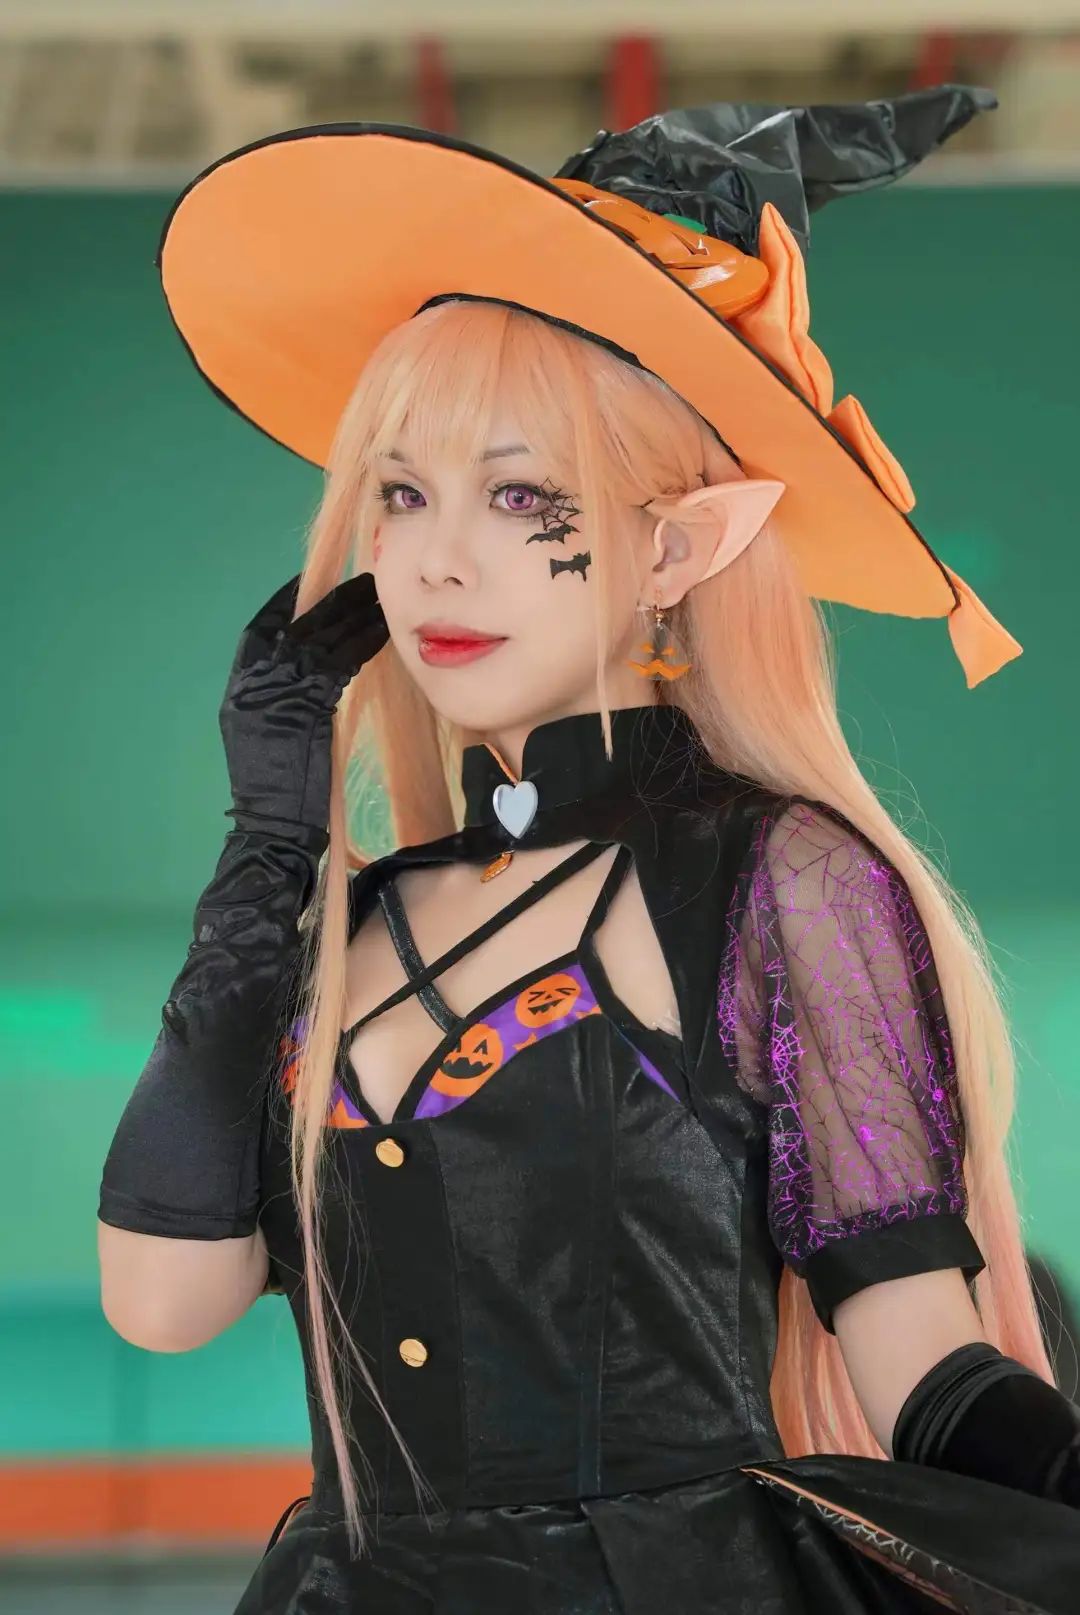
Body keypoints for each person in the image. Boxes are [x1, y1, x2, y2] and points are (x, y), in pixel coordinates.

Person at [97, 90, 1080, 1612]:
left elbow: (921, 1363)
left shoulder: (783, 881)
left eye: (519, 496)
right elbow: (164, 1298)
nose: (436, 561)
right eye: (402, 494)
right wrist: (270, 847)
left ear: (680, 546)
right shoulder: (344, 924)